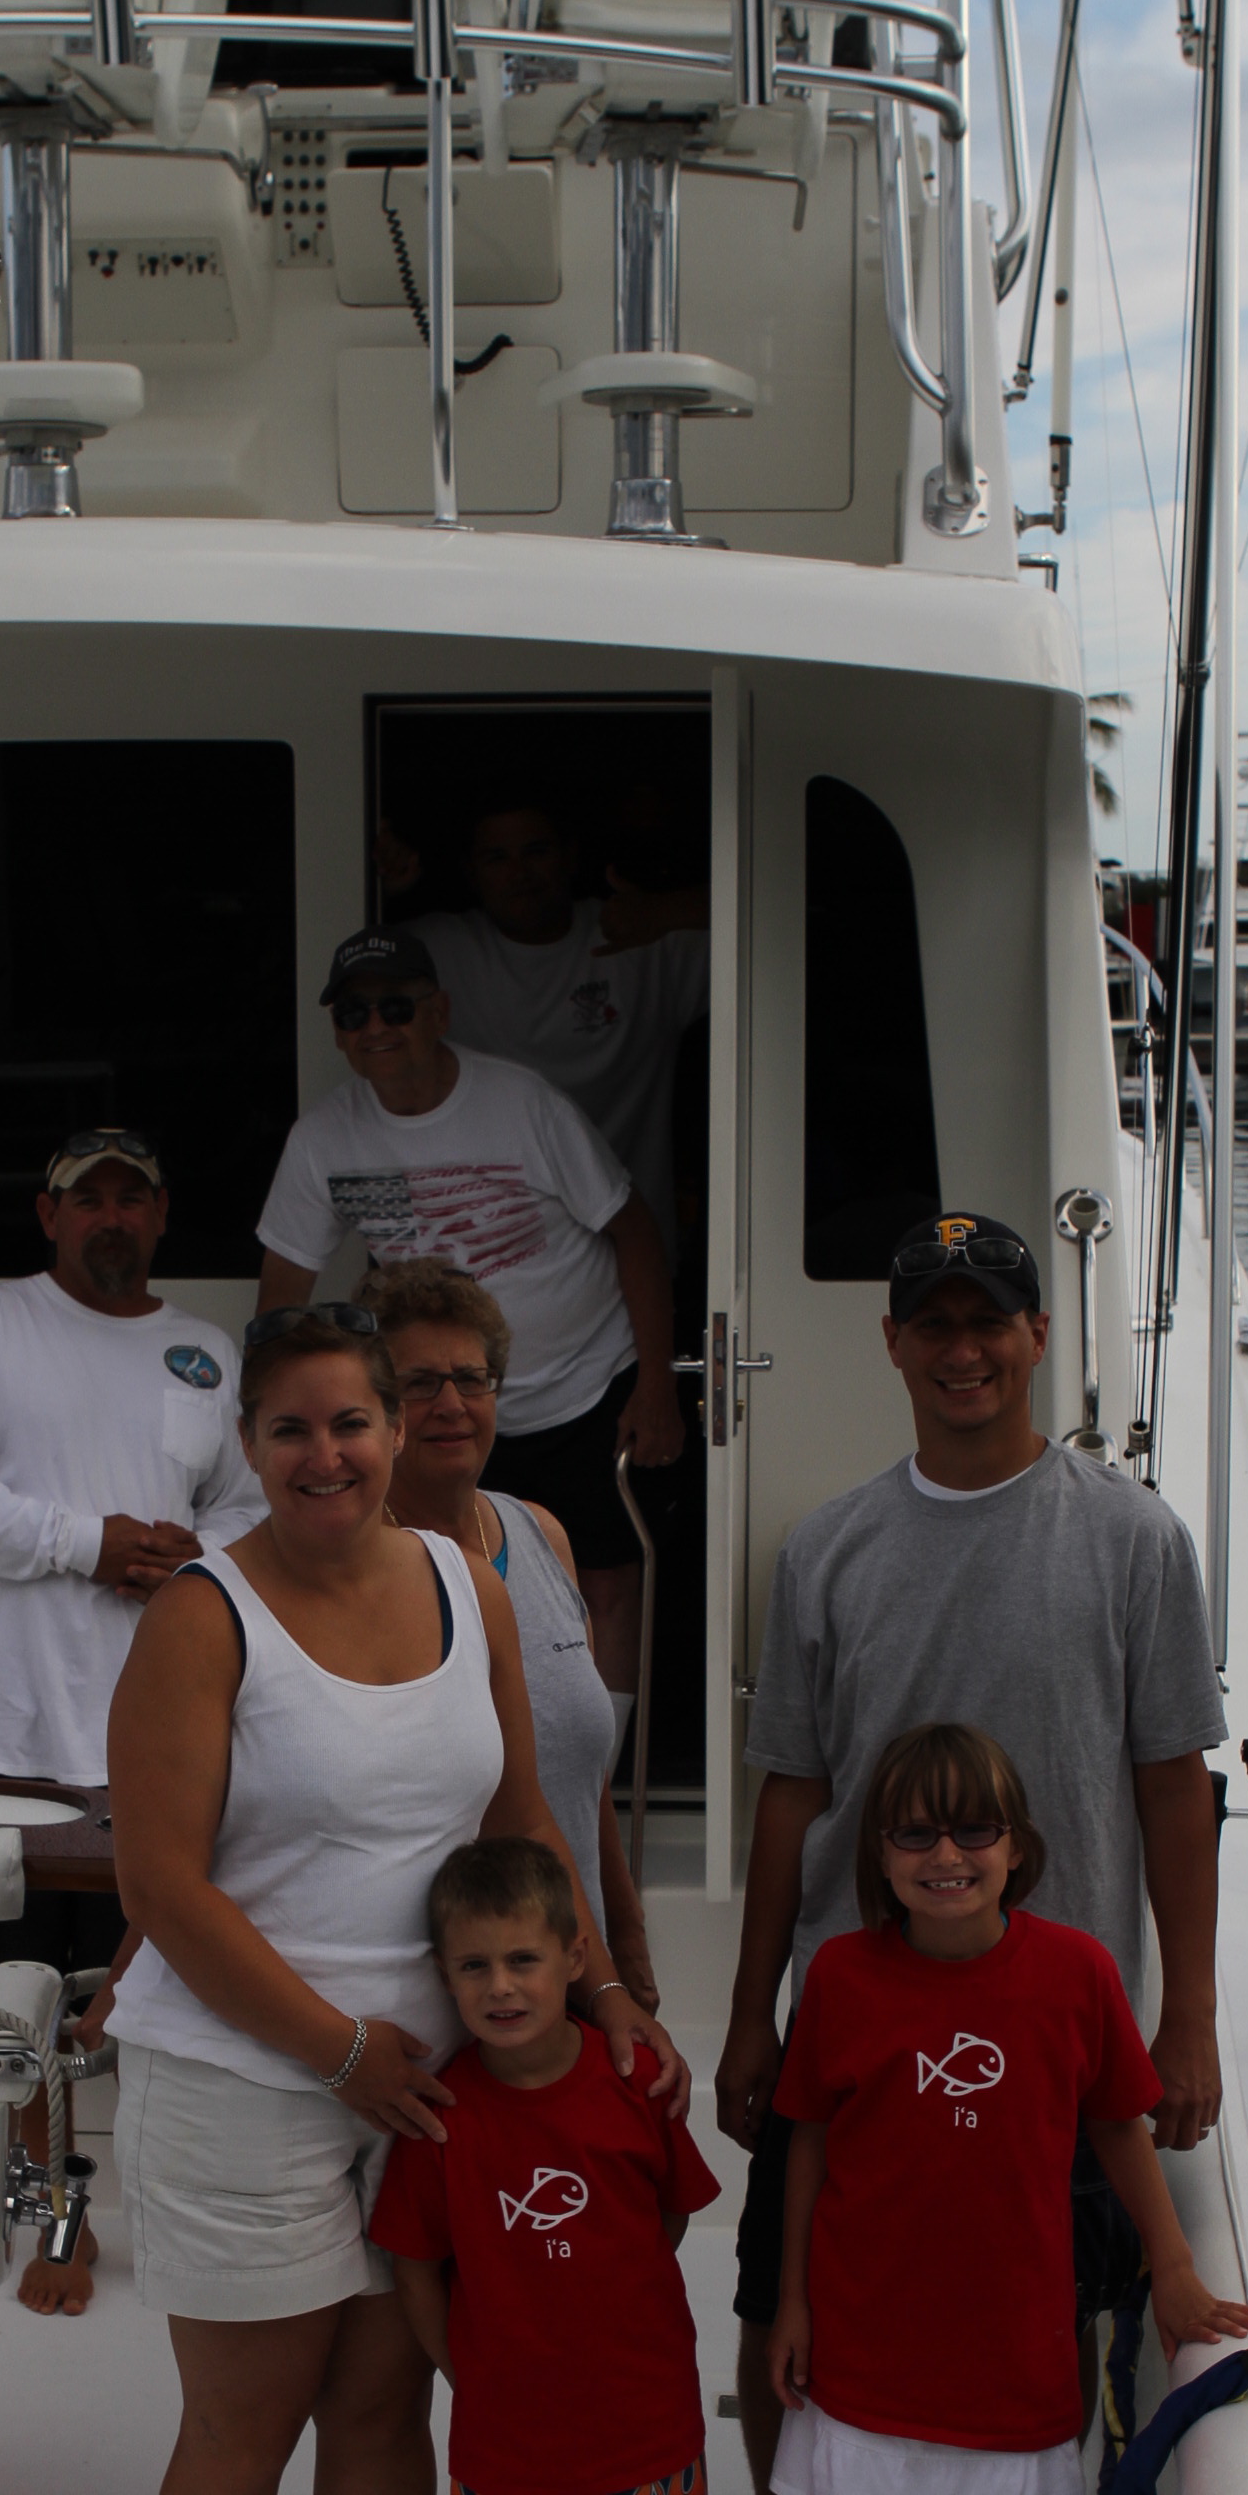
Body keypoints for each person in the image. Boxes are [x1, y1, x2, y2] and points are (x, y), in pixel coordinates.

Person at [107, 1306, 685, 2495]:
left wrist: (605, 1989)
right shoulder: (202, 1617)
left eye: (350, 1422)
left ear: (392, 1430)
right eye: (291, 1429)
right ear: (249, 1445)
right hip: (248, 2082)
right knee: (243, 2433)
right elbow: (160, 1887)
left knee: (381, 2417)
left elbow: (520, 1818)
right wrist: (335, 2051)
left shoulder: (465, 1585)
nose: (327, 1455)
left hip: (430, 2095)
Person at [712, 1208, 1226, 2495]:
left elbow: (1173, 1784)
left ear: (1038, 1337)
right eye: (931, 1322)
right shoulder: (828, 1546)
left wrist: (1188, 2014)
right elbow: (793, 1795)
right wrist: (751, 2013)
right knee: (780, 2303)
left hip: (1049, 2034)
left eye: (988, 1320)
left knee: (1030, 2319)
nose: (962, 1350)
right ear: (891, 1343)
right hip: (854, 2018)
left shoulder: (1135, 1538)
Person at [767, 1724, 1248, 2495]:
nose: (946, 1856)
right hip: (864, 2339)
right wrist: (793, 2302)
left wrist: (1174, 2267)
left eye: (974, 1830)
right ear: (879, 1856)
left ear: (1018, 1847)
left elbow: (1120, 2124)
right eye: (914, 1834)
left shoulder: (1078, 1973)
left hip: (1012, 2349)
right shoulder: (841, 1977)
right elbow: (807, 2137)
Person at [0, 1125, 262, 2314]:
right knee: (15, 1997)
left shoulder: (206, 1353)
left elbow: (247, 1506)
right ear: (47, 1215)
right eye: (85, 1197)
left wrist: (194, 1557)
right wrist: (87, 1543)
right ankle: (58, 2212)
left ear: (163, 1215)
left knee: (153, 1989)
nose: (111, 1215)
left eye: (131, 1197)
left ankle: (169, 2202)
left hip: (149, 1738)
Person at [255, 926, 685, 1729]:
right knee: (437, 1575)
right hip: (435, 1406)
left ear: (439, 1012)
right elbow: (282, 1295)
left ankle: (595, 1761)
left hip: (584, 1385)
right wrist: (284, 1421)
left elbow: (633, 1229)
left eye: (395, 1007)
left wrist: (656, 1382)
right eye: (353, 1014)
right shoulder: (323, 1139)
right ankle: (468, 1752)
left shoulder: (523, 1102)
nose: (375, 1026)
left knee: (602, 1580)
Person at [377, 1836, 725, 2495]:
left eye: (523, 1959)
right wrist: (467, 2371)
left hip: (651, 2433)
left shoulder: (635, 2085)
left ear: (575, 1958)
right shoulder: (440, 2117)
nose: (501, 1986)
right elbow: (416, 2268)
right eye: (474, 1966)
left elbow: (666, 2216)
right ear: (443, 1974)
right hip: (512, 2452)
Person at [362, 1258, 656, 2012]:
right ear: (378, 1407)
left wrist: (625, 1940)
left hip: (571, 1976)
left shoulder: (541, 1534)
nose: (451, 1404)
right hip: (449, 2003)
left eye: (472, 1378)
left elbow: (583, 1777)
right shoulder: (357, 1569)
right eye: (420, 1383)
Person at [378, 793, 711, 1245]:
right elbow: (332, 959)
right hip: (492, 1259)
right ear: (470, 872)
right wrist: (384, 887)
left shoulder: (640, 940)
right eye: (497, 858)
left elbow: (781, 909)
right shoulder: (440, 951)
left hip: (629, 1254)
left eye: (536, 851)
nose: (519, 874)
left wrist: (669, 909)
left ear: (571, 857)